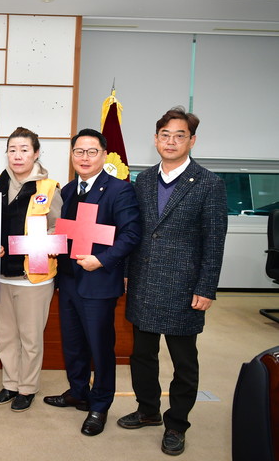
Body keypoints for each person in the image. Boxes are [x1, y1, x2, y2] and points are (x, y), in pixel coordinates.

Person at [118, 108, 227, 456]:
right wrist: (126, 272)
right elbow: (135, 232)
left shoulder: (209, 183)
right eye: (165, 135)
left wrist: (206, 287)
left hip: (184, 288)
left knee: (184, 362)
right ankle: (148, 409)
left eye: (179, 135)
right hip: (144, 282)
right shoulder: (144, 180)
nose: (171, 141)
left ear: (192, 141)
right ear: (155, 139)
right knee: (142, 355)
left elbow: (214, 241)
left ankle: (177, 424)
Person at [43, 128, 141, 437]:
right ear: (71, 155)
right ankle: (78, 392)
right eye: (79, 152)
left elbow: (131, 235)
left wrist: (101, 259)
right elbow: (68, 232)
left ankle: (100, 405)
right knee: (72, 344)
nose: (84, 157)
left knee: (100, 348)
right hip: (69, 280)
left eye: (91, 151)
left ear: (104, 155)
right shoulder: (69, 189)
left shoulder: (119, 190)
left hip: (98, 281)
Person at [0, 127, 62, 412]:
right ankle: (10, 383)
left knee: (30, 338)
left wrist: (45, 243)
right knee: (6, 336)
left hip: (35, 276)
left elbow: (58, 229)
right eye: (12, 150)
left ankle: (27, 387)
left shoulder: (49, 187)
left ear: (36, 153)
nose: (17, 156)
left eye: (24, 150)